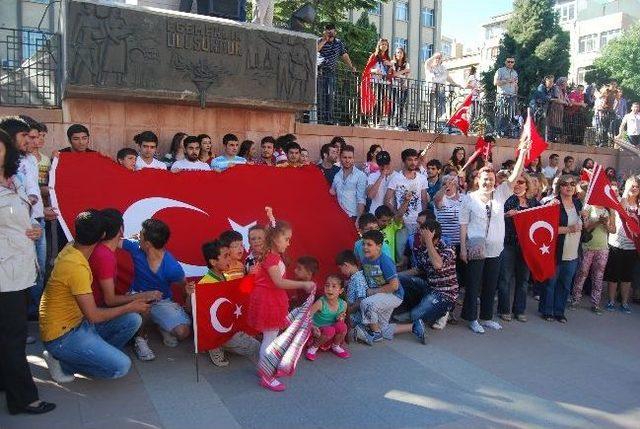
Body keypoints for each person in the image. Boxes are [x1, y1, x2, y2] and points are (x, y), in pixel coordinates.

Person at [39, 210, 148, 383]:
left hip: (78, 323)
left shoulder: (73, 246)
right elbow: (94, 315)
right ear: (104, 234)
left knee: (133, 320)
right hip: (63, 336)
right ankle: (63, 363)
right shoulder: (77, 267)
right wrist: (130, 305)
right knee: (121, 367)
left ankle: (92, 353)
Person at [0, 128, 55, 415]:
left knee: (10, 333)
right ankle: (23, 398)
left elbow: (18, 219)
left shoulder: (13, 181)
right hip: (4, 271)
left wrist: (30, 231)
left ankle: (6, 381)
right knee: (14, 335)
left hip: (20, 268)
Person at [459, 138, 527, 334]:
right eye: (485, 179)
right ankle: (472, 318)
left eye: (491, 179)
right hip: (476, 247)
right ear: (478, 180)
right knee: (474, 285)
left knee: (491, 284)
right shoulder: (468, 199)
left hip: (496, 248)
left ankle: (486, 317)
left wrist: (522, 153)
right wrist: (463, 248)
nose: (488, 182)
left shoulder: (500, 194)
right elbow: (463, 225)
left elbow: (515, 176)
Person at [247, 219, 315, 392]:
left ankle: (265, 367)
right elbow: (278, 282)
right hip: (268, 300)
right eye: (287, 238)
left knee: (271, 336)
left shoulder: (271, 255)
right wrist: (303, 284)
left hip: (271, 299)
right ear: (276, 239)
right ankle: (266, 375)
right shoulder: (271, 257)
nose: (289, 242)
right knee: (269, 339)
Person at [87, 209, 161, 361]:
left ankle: (132, 340)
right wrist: (143, 296)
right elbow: (110, 300)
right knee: (139, 312)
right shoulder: (105, 256)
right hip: (96, 313)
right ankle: (103, 353)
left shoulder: (101, 248)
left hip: (94, 309)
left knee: (140, 303)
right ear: (120, 229)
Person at [121, 219, 193, 353]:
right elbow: (112, 242)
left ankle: (161, 324)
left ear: (147, 244)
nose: (138, 235)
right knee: (143, 309)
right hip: (136, 297)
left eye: (141, 234)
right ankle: (141, 339)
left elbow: (184, 288)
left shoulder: (172, 267)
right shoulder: (135, 246)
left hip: (161, 302)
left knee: (183, 332)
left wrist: (188, 298)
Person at [200, 240, 260, 367]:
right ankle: (213, 345)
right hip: (219, 330)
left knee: (256, 341)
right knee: (256, 348)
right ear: (213, 262)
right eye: (226, 256)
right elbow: (200, 315)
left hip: (230, 323)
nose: (229, 259)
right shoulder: (206, 284)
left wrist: (250, 277)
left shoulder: (225, 276)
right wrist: (190, 296)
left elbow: (240, 294)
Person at [359, 230, 424, 343]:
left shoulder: (385, 261)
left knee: (366, 304)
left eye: (369, 244)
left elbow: (394, 286)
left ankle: (376, 334)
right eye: (363, 244)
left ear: (379, 246)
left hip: (393, 295)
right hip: (381, 296)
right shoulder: (365, 260)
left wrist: (373, 292)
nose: (365, 247)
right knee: (383, 328)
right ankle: (414, 326)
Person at [398, 220, 459, 338]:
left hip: (445, 294)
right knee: (400, 279)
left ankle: (444, 312)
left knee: (415, 315)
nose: (418, 237)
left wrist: (428, 241)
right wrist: (396, 276)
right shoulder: (423, 248)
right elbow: (418, 270)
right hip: (430, 287)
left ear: (432, 237)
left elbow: (438, 265)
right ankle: (412, 311)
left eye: (421, 235)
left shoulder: (448, 247)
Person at [496, 173, 539, 322]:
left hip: (527, 246)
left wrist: (552, 204)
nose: (518, 184)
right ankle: (504, 309)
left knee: (523, 280)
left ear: (527, 184)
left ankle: (519, 310)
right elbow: (494, 216)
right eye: (515, 182)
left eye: (521, 182)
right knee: (505, 278)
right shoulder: (506, 199)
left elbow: (543, 215)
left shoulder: (533, 202)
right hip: (508, 244)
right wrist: (506, 214)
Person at [539, 175, 582, 323]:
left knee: (565, 284)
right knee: (551, 283)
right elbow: (548, 228)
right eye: (565, 184)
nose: (569, 186)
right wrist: (570, 229)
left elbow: (583, 227)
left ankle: (559, 311)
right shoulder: (553, 203)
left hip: (573, 252)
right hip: (556, 251)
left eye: (572, 184)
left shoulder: (578, 204)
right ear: (559, 187)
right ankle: (547, 310)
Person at [603, 176, 639, 314]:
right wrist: (626, 193)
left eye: (637, 186)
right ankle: (611, 301)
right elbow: (620, 212)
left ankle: (624, 303)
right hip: (616, 243)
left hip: (632, 245)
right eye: (632, 185)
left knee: (627, 276)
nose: (634, 188)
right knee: (613, 274)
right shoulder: (619, 201)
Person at [569, 205, 615, 314]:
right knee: (582, 274)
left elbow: (613, 230)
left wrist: (606, 224)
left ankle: (595, 304)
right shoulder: (589, 207)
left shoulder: (609, 209)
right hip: (588, 247)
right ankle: (575, 299)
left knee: (598, 276)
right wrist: (599, 221)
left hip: (603, 248)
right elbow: (586, 227)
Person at [317, 23, 357, 125]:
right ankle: (320, 119)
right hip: (319, 72)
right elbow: (314, 51)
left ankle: (328, 119)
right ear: (324, 31)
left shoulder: (338, 43)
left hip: (331, 72)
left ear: (335, 32)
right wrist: (324, 40)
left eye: (332, 30)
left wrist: (351, 67)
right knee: (320, 95)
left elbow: (345, 55)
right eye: (327, 30)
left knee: (330, 95)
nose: (330, 32)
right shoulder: (319, 41)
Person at [305, 275, 350, 361]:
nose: (329, 289)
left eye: (334, 286)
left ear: (341, 290)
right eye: (327, 285)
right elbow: (306, 318)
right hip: (317, 332)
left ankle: (335, 346)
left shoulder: (343, 304)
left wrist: (340, 319)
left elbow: (341, 322)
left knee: (342, 326)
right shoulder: (320, 303)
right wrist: (313, 327)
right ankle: (313, 347)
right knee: (329, 330)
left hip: (330, 333)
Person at [385, 148, 429, 235]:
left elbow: (424, 201)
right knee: (402, 248)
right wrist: (397, 215)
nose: (413, 163)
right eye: (410, 160)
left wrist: (422, 218)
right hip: (402, 223)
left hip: (418, 222)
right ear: (404, 161)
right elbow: (386, 200)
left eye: (415, 159)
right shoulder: (396, 178)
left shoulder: (422, 178)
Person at [336, 250, 374, 345]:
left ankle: (358, 330)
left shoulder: (358, 279)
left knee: (334, 320)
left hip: (355, 316)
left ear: (346, 265)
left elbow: (361, 301)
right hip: (350, 310)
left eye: (341, 268)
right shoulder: (353, 278)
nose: (341, 272)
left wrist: (347, 312)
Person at [330, 145, 367, 219]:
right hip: (339, 217)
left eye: (350, 158)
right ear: (340, 158)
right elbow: (332, 192)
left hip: (353, 217)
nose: (347, 160)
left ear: (353, 159)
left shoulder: (360, 175)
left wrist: (358, 220)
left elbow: (361, 199)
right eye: (345, 157)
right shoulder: (337, 175)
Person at [361, 38, 392, 127]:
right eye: (382, 44)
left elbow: (389, 72)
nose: (384, 46)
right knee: (378, 99)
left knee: (383, 101)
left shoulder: (387, 58)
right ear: (379, 45)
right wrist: (375, 70)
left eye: (386, 45)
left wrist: (390, 65)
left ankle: (378, 120)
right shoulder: (374, 56)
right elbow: (368, 68)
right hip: (374, 81)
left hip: (384, 82)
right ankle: (375, 120)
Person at [424, 52, 456, 120]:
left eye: (439, 58)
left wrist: (456, 84)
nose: (438, 59)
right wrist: (434, 56)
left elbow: (448, 78)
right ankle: (430, 124)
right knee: (430, 107)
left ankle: (438, 122)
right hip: (431, 89)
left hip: (440, 89)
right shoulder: (430, 66)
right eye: (436, 58)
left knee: (440, 107)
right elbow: (427, 63)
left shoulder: (443, 68)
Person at [493, 56, 519, 135]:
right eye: (508, 61)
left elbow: (516, 84)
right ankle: (498, 132)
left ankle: (506, 132)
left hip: (512, 96)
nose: (510, 63)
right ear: (505, 62)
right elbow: (495, 82)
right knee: (501, 114)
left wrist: (516, 93)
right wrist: (506, 81)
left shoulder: (515, 73)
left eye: (512, 62)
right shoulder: (500, 70)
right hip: (502, 96)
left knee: (510, 115)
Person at [367, 150, 393, 214]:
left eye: (386, 164)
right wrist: (381, 176)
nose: (384, 167)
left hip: (391, 215)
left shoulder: (397, 176)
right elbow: (370, 196)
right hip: (375, 214)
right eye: (381, 165)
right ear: (378, 164)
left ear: (390, 162)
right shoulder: (372, 176)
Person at [390, 47, 410, 128]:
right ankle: (393, 122)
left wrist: (400, 73)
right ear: (395, 54)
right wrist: (404, 71)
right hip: (395, 86)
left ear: (403, 54)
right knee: (395, 104)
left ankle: (400, 123)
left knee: (401, 105)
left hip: (404, 87)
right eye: (398, 52)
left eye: (401, 52)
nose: (399, 54)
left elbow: (407, 75)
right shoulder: (393, 63)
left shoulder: (406, 64)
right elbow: (394, 74)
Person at [547, 77, 570, 142]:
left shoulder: (563, 91)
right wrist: (565, 102)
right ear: (562, 83)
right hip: (554, 109)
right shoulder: (556, 88)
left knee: (558, 124)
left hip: (560, 111)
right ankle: (551, 139)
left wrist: (567, 101)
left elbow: (567, 100)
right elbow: (556, 99)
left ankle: (556, 139)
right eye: (566, 82)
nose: (567, 84)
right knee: (553, 124)